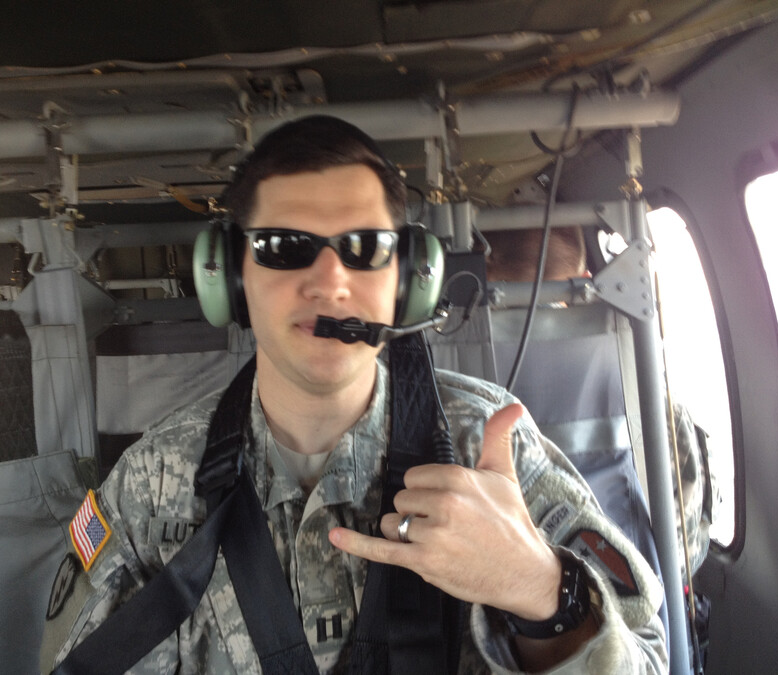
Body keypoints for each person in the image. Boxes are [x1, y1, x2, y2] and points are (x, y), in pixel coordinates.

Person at [40, 116, 667, 673]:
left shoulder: (485, 452)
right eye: (285, 248)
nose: (331, 281)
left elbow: (648, 661)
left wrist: (541, 594)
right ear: (230, 278)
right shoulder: (149, 484)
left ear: (408, 280)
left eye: (365, 248)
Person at [482, 224, 718, 582]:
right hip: (621, 600)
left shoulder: (441, 360)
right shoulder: (634, 371)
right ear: (584, 279)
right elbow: (683, 549)